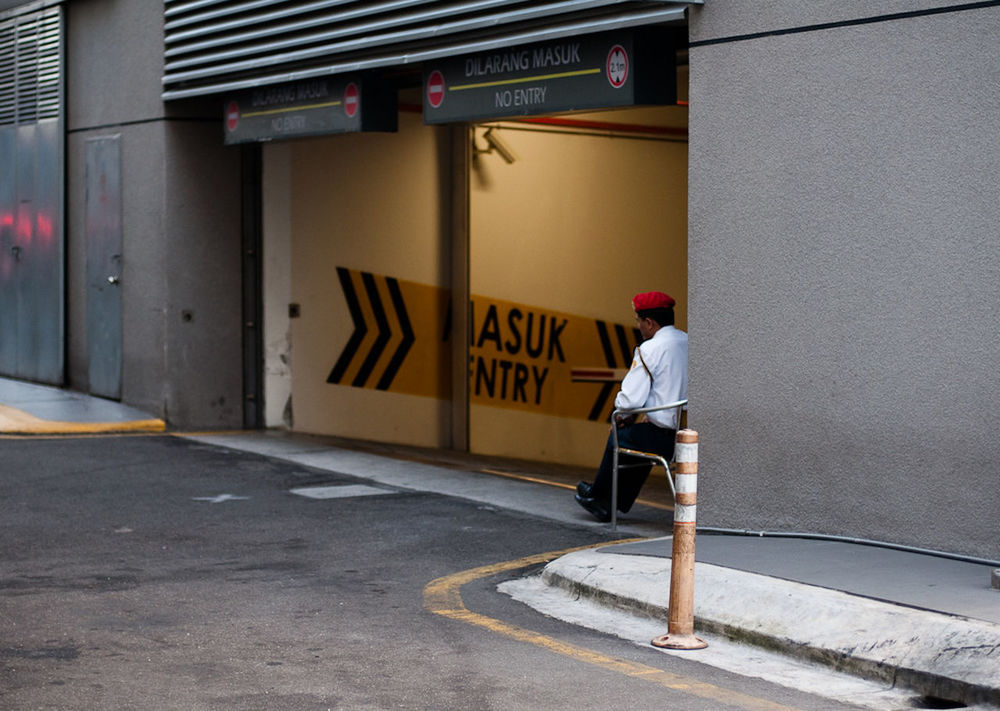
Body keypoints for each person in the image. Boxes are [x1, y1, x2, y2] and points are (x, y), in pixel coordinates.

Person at [575, 291, 688, 522]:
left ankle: (600, 498)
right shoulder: (687, 342)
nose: (638, 326)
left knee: (620, 435)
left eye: (638, 321)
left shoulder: (650, 349)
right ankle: (609, 500)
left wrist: (621, 417)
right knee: (638, 436)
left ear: (649, 322)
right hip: (687, 436)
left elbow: (630, 400)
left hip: (665, 439)